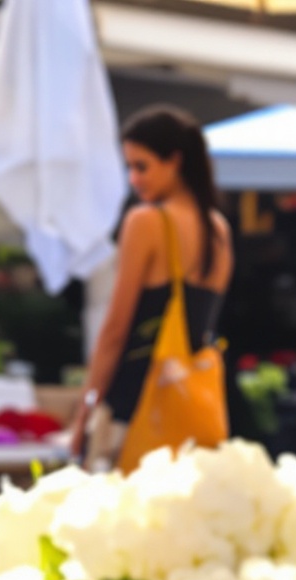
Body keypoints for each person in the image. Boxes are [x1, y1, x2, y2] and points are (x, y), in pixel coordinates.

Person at [70, 106, 233, 469]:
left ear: (174, 160)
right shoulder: (218, 229)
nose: (134, 179)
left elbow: (116, 329)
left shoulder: (147, 222)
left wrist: (87, 407)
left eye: (141, 166)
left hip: (136, 401)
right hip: (190, 404)